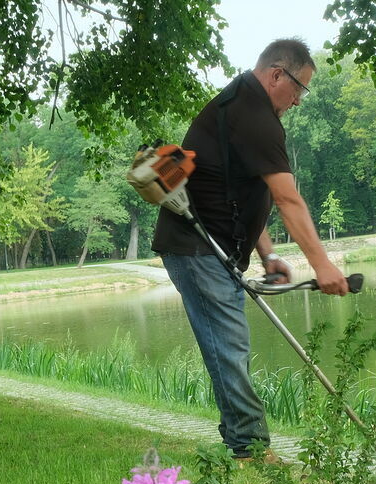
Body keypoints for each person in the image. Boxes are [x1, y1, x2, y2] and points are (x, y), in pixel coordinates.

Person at [152, 38, 349, 459]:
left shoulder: (239, 104)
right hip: (196, 248)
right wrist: (324, 265)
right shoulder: (255, 115)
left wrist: (268, 255)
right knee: (229, 345)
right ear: (278, 74)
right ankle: (250, 449)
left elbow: (239, 192)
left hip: (209, 248)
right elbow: (287, 198)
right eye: (299, 89)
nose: (298, 101)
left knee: (229, 344)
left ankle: (242, 439)